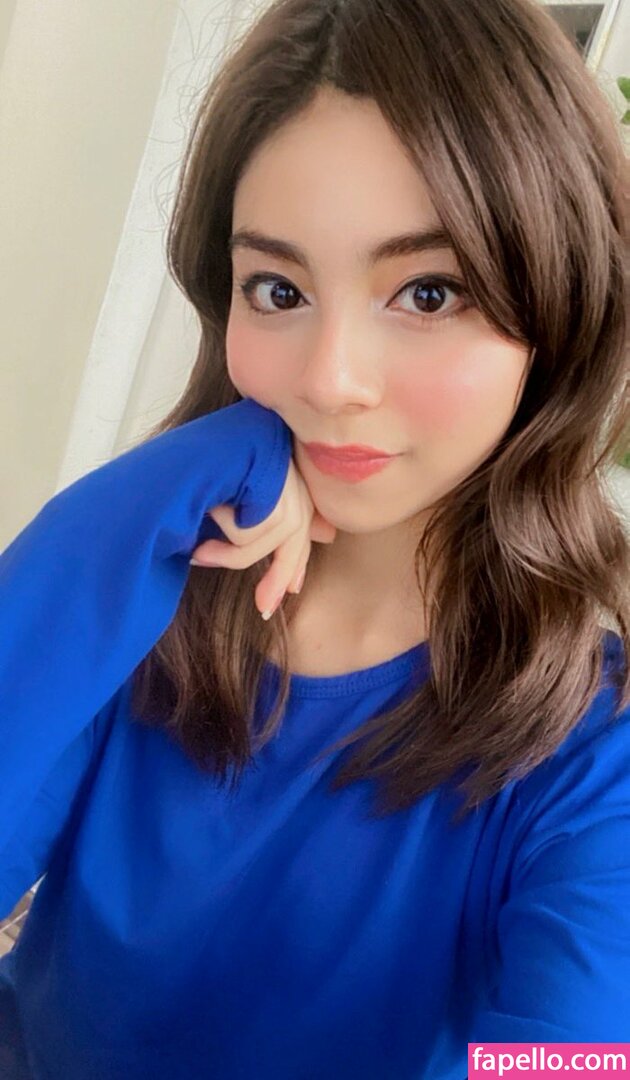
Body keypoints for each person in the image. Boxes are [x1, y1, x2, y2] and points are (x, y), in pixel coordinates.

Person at [1, 0, 629, 1075]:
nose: (331, 380)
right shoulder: (154, 592)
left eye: (428, 291)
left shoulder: (593, 754)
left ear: (557, 306)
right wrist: (121, 516)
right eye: (278, 289)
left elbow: (573, 1055)